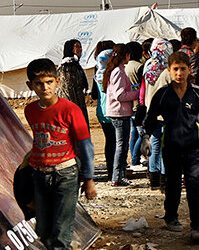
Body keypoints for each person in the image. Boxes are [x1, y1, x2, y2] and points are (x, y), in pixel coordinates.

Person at [21, 58, 97, 250]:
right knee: (43, 230)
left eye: (49, 82)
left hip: (65, 174)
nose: (45, 88)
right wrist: (29, 159)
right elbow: (40, 140)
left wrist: (89, 179)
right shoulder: (30, 110)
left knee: (61, 232)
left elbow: (85, 145)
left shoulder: (70, 110)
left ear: (57, 81)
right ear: (30, 85)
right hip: (39, 175)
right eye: (39, 83)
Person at [142, 50, 199, 243]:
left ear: (189, 70)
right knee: (172, 185)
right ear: (169, 70)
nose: (179, 73)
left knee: (193, 186)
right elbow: (149, 118)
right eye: (175, 69)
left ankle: (197, 225)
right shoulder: (162, 94)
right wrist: (145, 138)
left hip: (192, 149)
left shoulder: (197, 93)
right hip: (171, 147)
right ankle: (171, 217)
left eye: (183, 69)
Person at [104, 44, 138, 187]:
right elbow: (120, 95)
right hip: (119, 113)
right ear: (126, 55)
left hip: (121, 112)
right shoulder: (117, 71)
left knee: (122, 146)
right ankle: (117, 177)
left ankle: (120, 176)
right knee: (121, 146)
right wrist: (137, 93)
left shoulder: (117, 70)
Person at [143, 38, 170, 189]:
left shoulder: (148, 66)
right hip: (165, 114)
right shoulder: (167, 69)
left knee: (154, 145)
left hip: (150, 111)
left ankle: (153, 179)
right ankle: (164, 181)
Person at [92, 40, 116, 180]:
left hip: (101, 111)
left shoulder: (97, 70)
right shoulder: (113, 73)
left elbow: (94, 94)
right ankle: (115, 170)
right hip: (113, 110)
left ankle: (111, 170)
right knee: (116, 141)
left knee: (110, 141)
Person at [57, 39, 90, 130]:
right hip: (71, 107)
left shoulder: (74, 64)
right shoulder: (67, 66)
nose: (80, 49)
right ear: (70, 49)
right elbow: (67, 89)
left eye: (80, 47)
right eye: (77, 47)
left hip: (78, 104)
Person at [125, 41, 146, 170]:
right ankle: (135, 159)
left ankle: (134, 160)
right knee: (142, 134)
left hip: (129, 104)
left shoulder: (125, 67)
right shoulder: (140, 66)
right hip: (138, 104)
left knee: (133, 133)